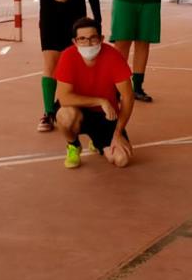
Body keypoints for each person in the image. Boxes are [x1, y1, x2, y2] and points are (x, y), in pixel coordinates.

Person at [25, 0, 102, 132]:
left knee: (76, 66)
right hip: (51, 18)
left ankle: (74, 106)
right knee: (51, 64)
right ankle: (48, 113)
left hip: (77, 22)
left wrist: (97, 19)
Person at [54, 18, 135, 168]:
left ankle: (97, 141)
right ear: (74, 41)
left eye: (93, 38)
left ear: (102, 39)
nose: (88, 43)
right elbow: (64, 98)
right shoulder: (67, 56)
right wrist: (101, 101)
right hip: (78, 110)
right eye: (82, 39)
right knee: (65, 116)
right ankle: (73, 145)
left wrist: (118, 132)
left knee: (122, 160)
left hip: (106, 115)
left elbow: (128, 97)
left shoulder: (113, 56)